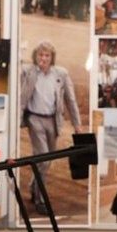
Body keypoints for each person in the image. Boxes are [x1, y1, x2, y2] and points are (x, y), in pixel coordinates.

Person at [20, 41, 82, 214]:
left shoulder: (61, 74)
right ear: (35, 56)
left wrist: (77, 124)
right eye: (40, 55)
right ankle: (40, 199)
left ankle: (34, 186)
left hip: (53, 121)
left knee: (47, 159)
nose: (44, 58)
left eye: (47, 55)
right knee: (44, 159)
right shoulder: (28, 71)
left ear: (52, 57)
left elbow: (71, 100)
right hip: (34, 119)